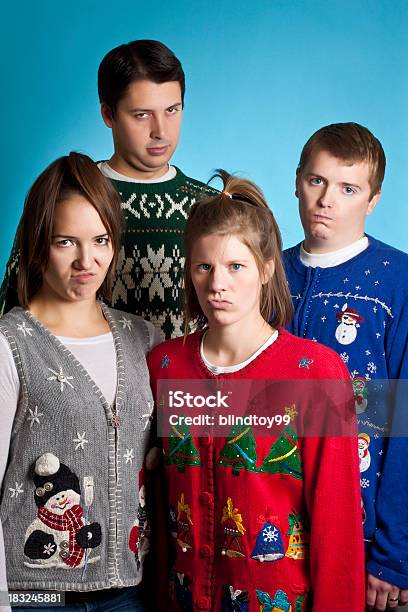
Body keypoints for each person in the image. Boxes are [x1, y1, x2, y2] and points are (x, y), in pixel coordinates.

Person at [147, 171, 365, 611]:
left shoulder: (316, 374)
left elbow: (336, 521)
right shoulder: (163, 365)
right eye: (203, 266)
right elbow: (152, 499)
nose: (217, 284)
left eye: (236, 266)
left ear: (266, 269)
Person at [0, 153, 161, 611]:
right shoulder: (11, 344)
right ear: (37, 245)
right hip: (36, 593)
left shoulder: (144, 339)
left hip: (131, 589)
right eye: (65, 242)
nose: (86, 261)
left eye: (100, 240)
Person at [0, 40, 216, 338]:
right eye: (141, 115)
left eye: (172, 110)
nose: (161, 131)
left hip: (180, 382)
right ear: (108, 114)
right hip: (81, 378)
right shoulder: (68, 196)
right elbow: (15, 303)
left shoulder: (208, 206)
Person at [283, 122, 408, 611]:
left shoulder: (397, 282)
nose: (326, 200)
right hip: (275, 524)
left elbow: (403, 421)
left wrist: (393, 554)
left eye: (348, 188)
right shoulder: (264, 269)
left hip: (364, 537)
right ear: (297, 180)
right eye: (317, 181)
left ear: (373, 200)